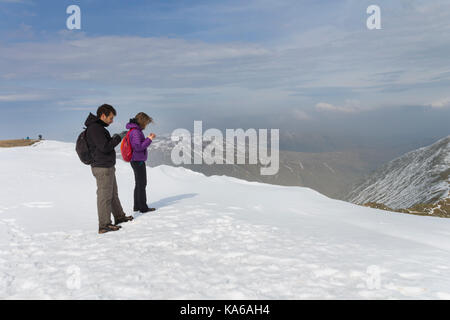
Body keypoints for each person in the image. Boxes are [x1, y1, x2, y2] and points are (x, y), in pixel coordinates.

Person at [85, 104, 134, 234]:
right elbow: (105, 147)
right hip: (102, 167)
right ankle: (104, 224)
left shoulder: (98, 128)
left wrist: (116, 137)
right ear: (103, 116)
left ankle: (119, 216)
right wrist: (118, 137)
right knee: (104, 196)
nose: (112, 121)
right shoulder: (95, 128)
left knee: (112, 194)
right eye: (111, 118)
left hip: (106, 166)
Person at [126, 112, 156, 213]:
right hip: (137, 160)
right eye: (146, 123)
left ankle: (137, 206)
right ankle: (143, 207)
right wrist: (149, 139)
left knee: (139, 183)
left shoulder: (134, 130)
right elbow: (138, 147)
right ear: (142, 121)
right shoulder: (135, 132)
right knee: (142, 183)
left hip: (135, 160)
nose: (146, 125)